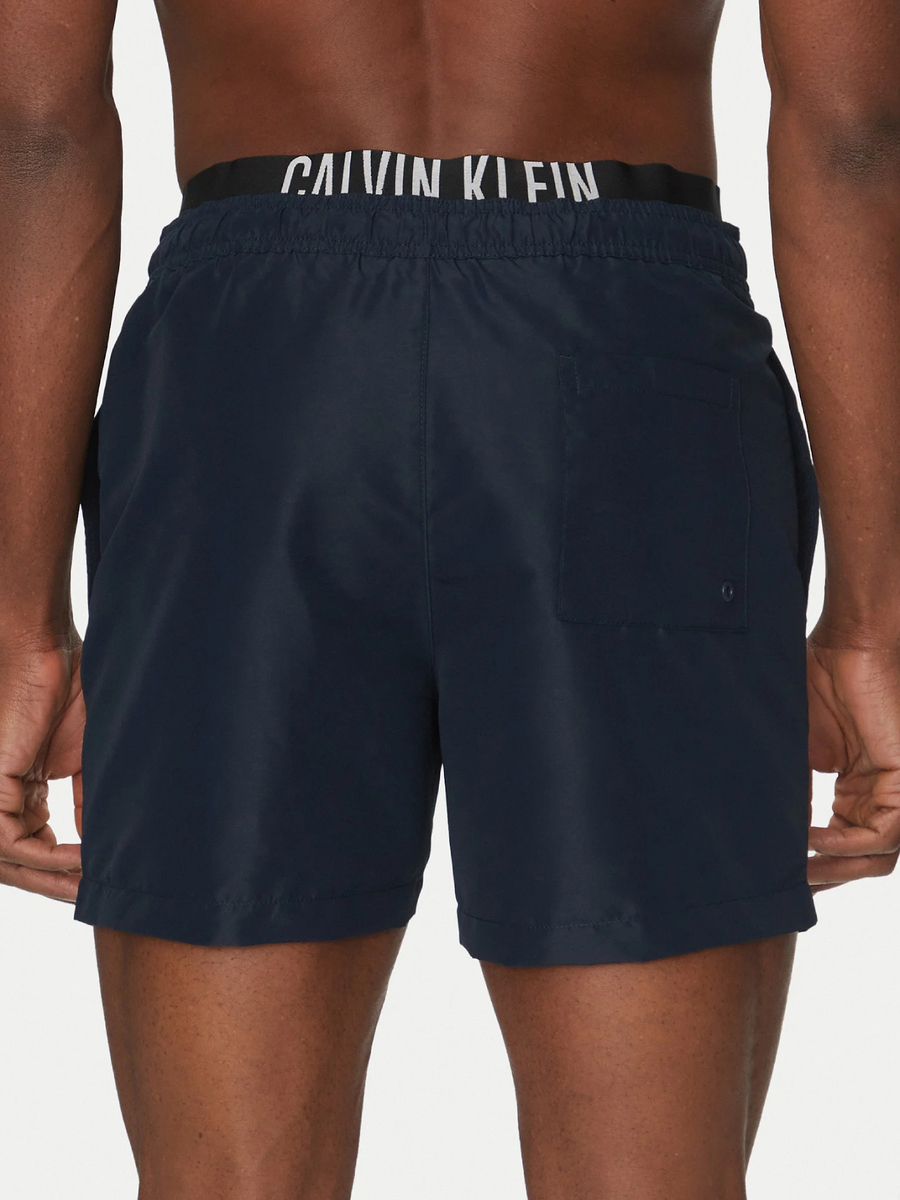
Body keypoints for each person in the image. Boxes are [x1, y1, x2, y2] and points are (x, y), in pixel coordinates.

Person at [2, 0, 900, 1196]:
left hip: (258, 382)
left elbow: (38, 127)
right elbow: (852, 130)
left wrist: (22, 628)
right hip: (626, 358)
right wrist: (874, 627)